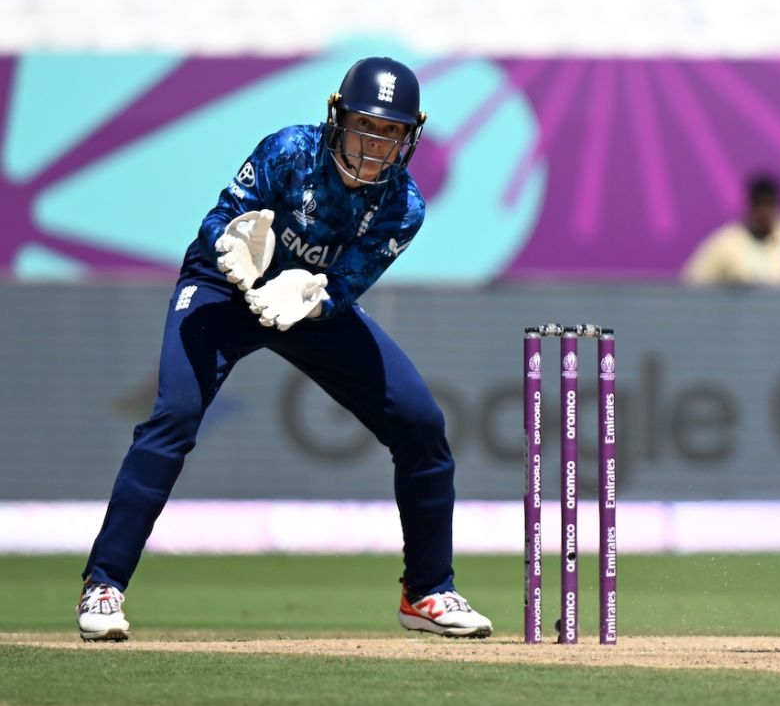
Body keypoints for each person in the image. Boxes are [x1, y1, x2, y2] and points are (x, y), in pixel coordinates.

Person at [76, 57, 493, 642]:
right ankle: (104, 585)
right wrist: (233, 245)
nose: (375, 145)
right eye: (365, 127)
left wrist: (313, 301)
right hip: (224, 290)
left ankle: (426, 591)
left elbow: (348, 282)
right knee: (173, 418)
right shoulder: (289, 151)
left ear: (410, 138)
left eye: (392, 133)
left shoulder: (404, 206)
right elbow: (220, 217)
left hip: (307, 302)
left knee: (422, 425)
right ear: (337, 118)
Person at [681, 174, 780, 286]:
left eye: (768, 204)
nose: (764, 212)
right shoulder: (727, 243)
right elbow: (692, 283)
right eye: (759, 204)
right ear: (750, 205)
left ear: (778, 205)